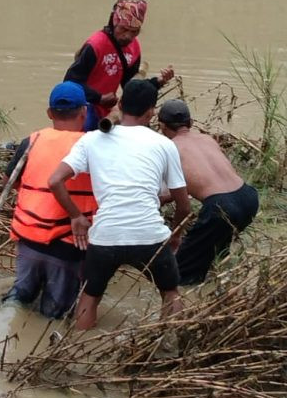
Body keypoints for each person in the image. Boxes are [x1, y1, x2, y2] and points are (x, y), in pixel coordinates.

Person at [48, 80, 191, 331]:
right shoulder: (164, 145)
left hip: (105, 236)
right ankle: (171, 345)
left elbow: (54, 180)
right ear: (152, 113)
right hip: (150, 235)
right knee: (170, 292)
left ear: (120, 105)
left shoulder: (92, 140)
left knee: (90, 296)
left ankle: (77, 350)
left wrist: (76, 216)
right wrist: (175, 235)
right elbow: (184, 206)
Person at [2, 82, 97, 318]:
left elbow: (9, 182)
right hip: (69, 244)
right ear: (84, 112)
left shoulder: (31, 141)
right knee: (54, 313)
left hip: (28, 238)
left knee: (19, 297)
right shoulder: (94, 146)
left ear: (49, 113)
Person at [158, 99, 259, 286]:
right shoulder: (207, 139)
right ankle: (222, 286)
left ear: (162, 126)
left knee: (178, 273)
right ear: (191, 123)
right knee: (215, 253)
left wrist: (175, 235)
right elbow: (207, 177)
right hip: (249, 197)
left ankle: (191, 304)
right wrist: (169, 196)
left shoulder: (169, 149)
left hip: (221, 207)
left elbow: (184, 208)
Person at [63, 0, 174, 130]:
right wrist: (99, 98)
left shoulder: (134, 48)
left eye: (134, 32)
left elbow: (131, 85)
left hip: (109, 109)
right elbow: (70, 83)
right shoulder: (95, 45)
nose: (127, 36)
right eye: (123, 29)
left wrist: (158, 81)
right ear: (114, 23)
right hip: (87, 107)